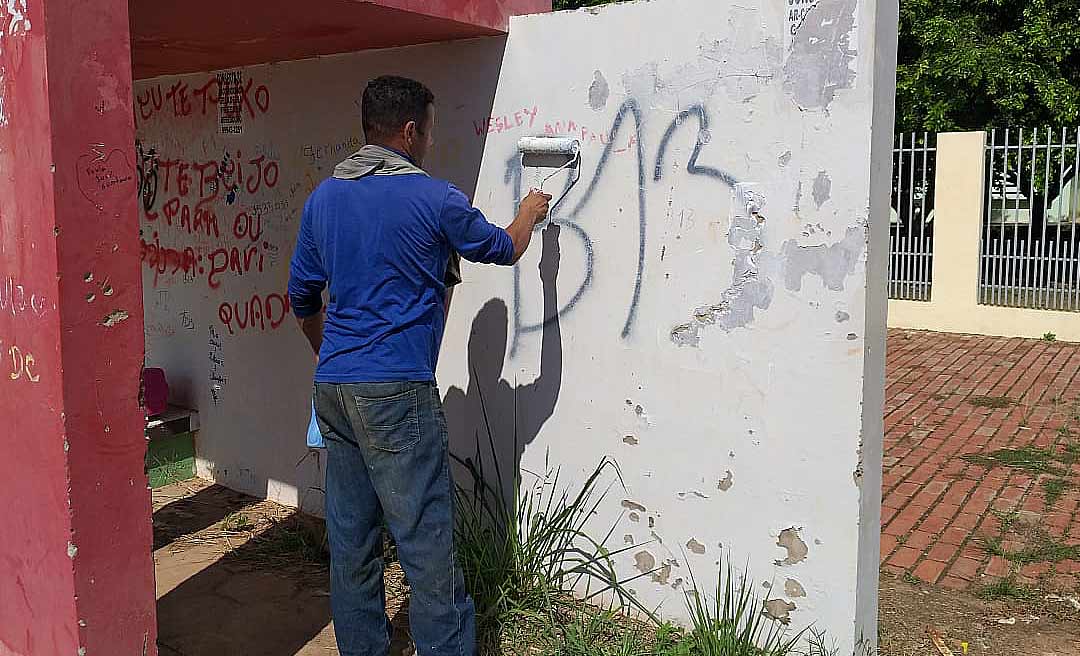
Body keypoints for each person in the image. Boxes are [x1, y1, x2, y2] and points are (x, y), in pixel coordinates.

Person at [287, 75, 551, 656]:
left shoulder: (324, 199)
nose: (429, 141)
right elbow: (504, 247)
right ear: (410, 131)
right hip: (397, 391)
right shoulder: (434, 199)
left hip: (334, 387)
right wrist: (530, 211)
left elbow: (302, 296)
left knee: (352, 543)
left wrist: (331, 354)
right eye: (428, 130)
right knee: (428, 548)